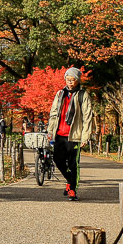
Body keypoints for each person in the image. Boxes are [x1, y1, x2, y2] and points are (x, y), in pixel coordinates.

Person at [47, 67, 94, 201]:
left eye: (72, 80)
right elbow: (53, 113)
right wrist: (50, 131)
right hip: (59, 134)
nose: (70, 82)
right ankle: (69, 180)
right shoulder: (60, 93)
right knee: (58, 160)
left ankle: (72, 189)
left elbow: (87, 116)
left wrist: (85, 136)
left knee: (73, 164)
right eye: (68, 80)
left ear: (78, 80)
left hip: (74, 135)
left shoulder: (82, 95)